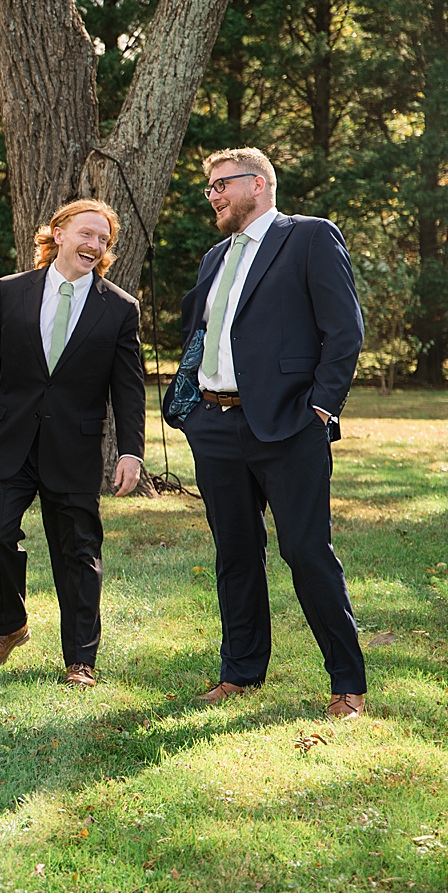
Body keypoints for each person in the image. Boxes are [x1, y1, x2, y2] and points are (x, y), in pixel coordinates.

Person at [163, 147, 367, 718]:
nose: (213, 196)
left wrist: (321, 409)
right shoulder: (213, 259)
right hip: (216, 425)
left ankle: (347, 682)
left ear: (258, 184)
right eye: (209, 188)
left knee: (305, 552)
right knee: (235, 552)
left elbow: (344, 332)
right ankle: (242, 671)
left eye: (219, 185)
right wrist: (195, 408)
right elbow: (199, 334)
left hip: (289, 425)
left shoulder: (308, 237)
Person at [0, 199, 145, 688]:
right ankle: (9, 625)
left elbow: (128, 386)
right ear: (57, 233)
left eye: (103, 240)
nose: (95, 245)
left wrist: (130, 450)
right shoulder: (10, 292)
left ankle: (80, 658)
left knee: (78, 551)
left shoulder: (119, 308)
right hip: (10, 438)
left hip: (75, 447)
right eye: (86, 233)